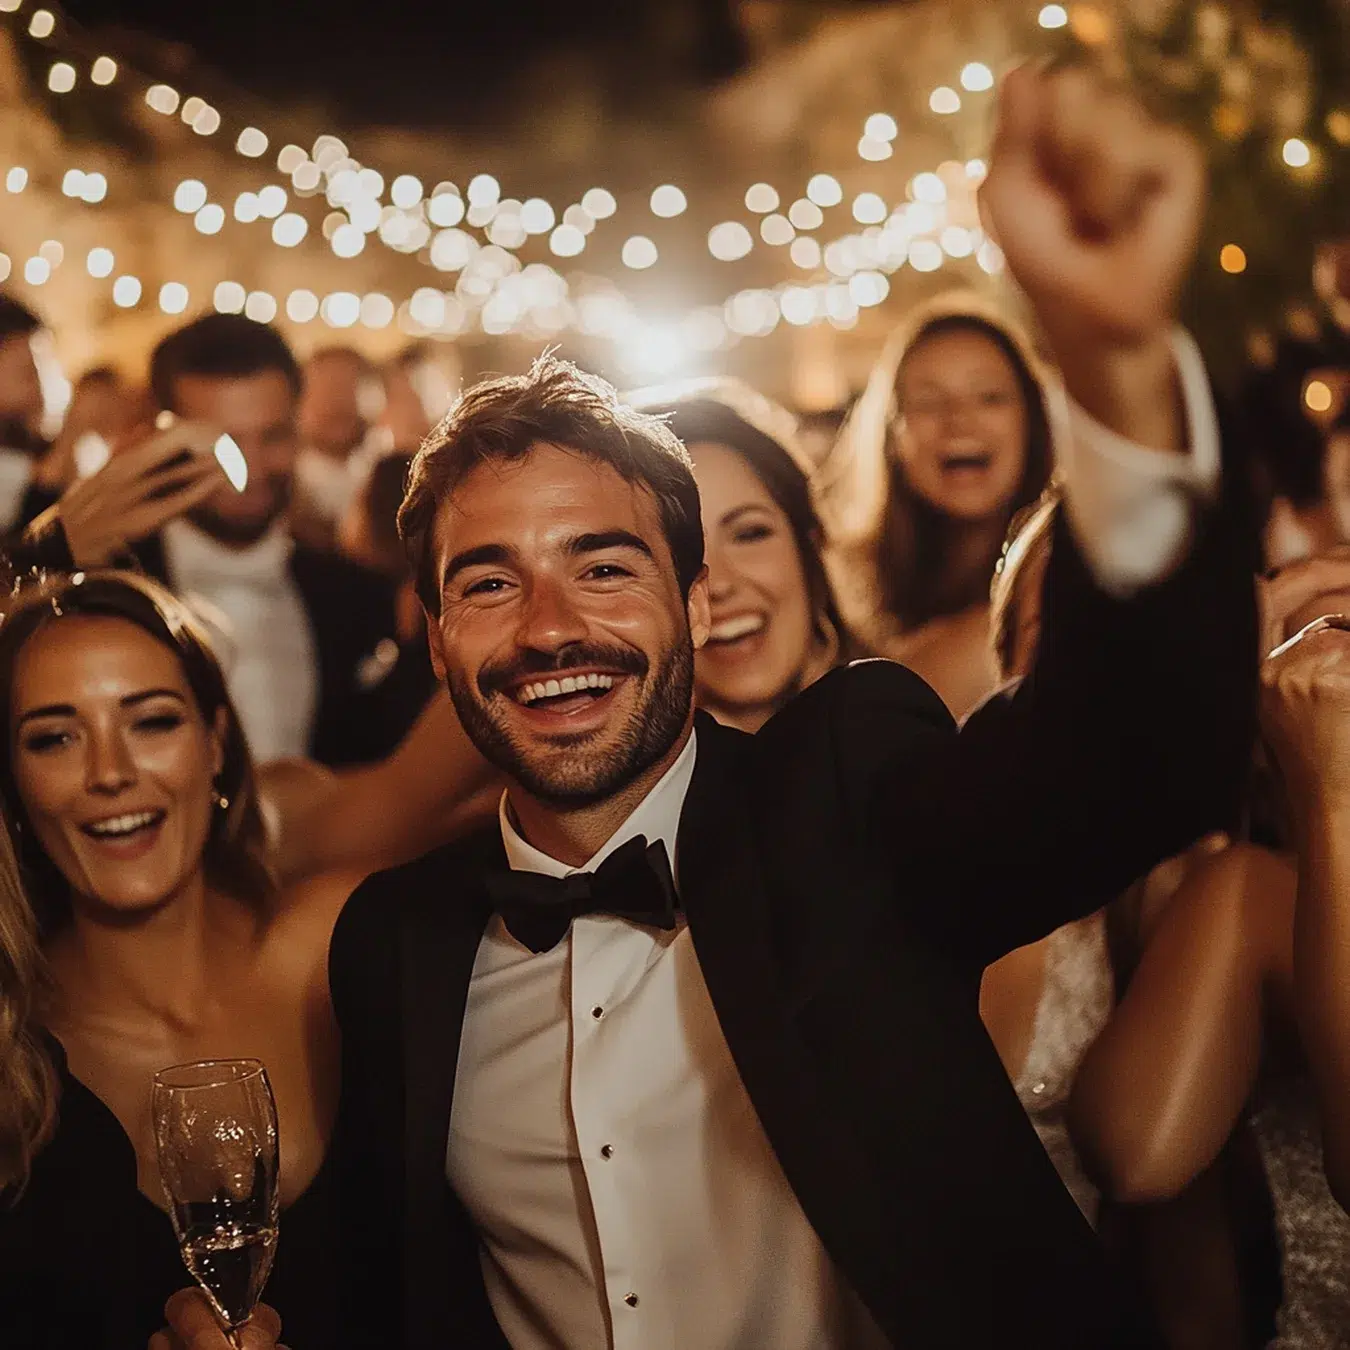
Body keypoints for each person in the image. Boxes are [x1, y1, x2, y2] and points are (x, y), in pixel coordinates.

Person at [324, 66, 1257, 1350]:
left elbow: (1132, 758)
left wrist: (1117, 373)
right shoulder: (393, 948)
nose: (551, 629)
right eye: (491, 583)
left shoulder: (842, 797)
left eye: (603, 565)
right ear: (435, 642)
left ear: (696, 603)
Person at [0, 570, 358, 1349]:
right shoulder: (11, 1062)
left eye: (152, 722)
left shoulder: (342, 947)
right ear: (13, 786)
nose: (110, 773)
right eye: (54, 737)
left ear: (216, 744)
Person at [1067, 565, 1350, 1348]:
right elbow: (1134, 1152)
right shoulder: (1253, 897)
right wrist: (1325, 791)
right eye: (1305, 659)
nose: (1331, 683)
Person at [28, 315, 431, 767]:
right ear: (165, 438)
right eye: (223, 444)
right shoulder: (100, 585)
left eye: (273, 435)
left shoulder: (358, 594)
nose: (252, 468)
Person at [816, 291, 1053, 719]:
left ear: (1032, 420)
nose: (959, 418)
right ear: (891, 434)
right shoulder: (841, 589)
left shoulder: (1070, 574)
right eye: (928, 401)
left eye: (990, 396)